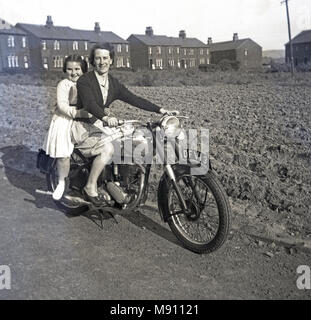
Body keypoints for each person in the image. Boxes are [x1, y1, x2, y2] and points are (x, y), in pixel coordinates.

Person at [75, 42, 178, 206]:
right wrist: (105, 117)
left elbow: (134, 98)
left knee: (131, 142)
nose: (102, 62)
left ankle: (120, 184)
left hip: (100, 124)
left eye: (105, 58)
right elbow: (89, 104)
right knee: (108, 148)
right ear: (93, 61)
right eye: (98, 58)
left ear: (111, 60)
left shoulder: (113, 83)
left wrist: (161, 110)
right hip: (83, 125)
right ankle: (90, 186)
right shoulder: (85, 80)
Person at [43, 54, 91, 200]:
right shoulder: (64, 84)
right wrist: (77, 112)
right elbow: (63, 105)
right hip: (64, 120)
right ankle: (61, 182)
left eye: (77, 69)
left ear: (83, 70)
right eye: (70, 69)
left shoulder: (87, 84)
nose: (74, 72)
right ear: (65, 70)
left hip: (82, 120)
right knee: (63, 153)